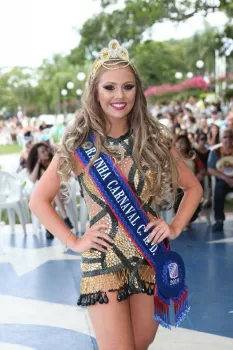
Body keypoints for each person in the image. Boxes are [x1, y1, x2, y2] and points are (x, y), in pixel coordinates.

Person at [29, 40, 203, 350]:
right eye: (109, 87)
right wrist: (74, 242)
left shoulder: (155, 140)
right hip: (103, 261)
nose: (119, 95)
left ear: (137, 91)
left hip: (149, 257)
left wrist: (174, 227)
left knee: (139, 345)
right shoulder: (78, 144)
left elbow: (193, 188)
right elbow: (38, 201)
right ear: (95, 91)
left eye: (128, 87)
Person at [27, 142, 73, 239]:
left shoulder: (53, 162)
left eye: (46, 150)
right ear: (37, 155)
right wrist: (38, 163)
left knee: (53, 195)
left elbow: (66, 175)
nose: (46, 152)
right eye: (42, 152)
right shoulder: (35, 165)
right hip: (45, 196)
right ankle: (65, 219)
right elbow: (31, 179)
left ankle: (49, 229)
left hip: (59, 192)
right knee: (50, 199)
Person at [207, 128, 233, 232]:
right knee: (218, 191)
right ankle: (219, 220)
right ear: (221, 139)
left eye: (230, 137)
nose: (228, 139)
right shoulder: (216, 152)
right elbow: (210, 169)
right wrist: (226, 179)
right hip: (223, 181)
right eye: (225, 137)